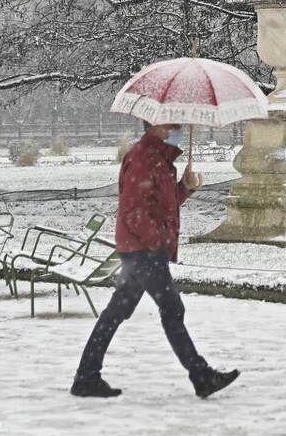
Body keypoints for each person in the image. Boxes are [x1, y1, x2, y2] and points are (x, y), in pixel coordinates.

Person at [70, 120, 239, 399]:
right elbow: (133, 210)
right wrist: (155, 245)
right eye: (172, 124)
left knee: (117, 312)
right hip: (143, 250)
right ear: (155, 126)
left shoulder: (159, 160)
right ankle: (201, 376)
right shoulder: (142, 158)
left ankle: (86, 376)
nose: (178, 128)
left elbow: (161, 205)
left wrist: (184, 188)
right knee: (172, 310)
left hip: (140, 248)